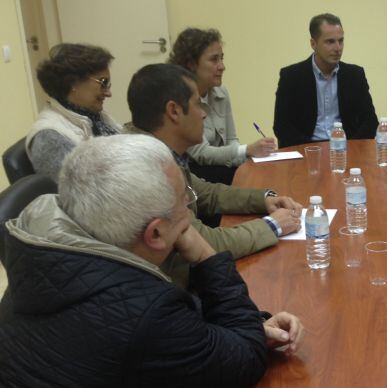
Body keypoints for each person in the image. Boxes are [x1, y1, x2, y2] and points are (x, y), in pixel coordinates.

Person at [0, 134, 303, 386]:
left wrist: (245, 328)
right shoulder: (147, 313)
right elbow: (246, 362)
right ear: (155, 233)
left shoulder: (46, 251)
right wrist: (206, 257)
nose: (189, 201)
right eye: (184, 197)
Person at [126, 63, 302, 287]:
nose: (204, 114)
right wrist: (272, 226)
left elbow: (206, 193)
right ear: (174, 111)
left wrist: (264, 198)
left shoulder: (160, 150)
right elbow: (206, 243)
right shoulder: (149, 168)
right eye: (198, 104)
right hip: (176, 293)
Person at [169, 27, 276, 185]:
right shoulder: (179, 97)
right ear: (191, 64)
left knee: (264, 172)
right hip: (196, 174)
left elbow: (232, 139)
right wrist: (246, 150)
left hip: (222, 166)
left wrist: (245, 153)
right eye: (214, 60)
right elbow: (201, 153)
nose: (222, 66)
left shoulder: (221, 92)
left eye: (222, 58)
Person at [273, 13, 378, 148]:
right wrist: (314, 151)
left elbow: (370, 122)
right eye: (330, 42)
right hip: (306, 151)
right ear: (313, 43)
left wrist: (349, 147)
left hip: (347, 149)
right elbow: (282, 126)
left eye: (341, 41)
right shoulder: (291, 76)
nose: (338, 48)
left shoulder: (355, 75)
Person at [25, 43, 122, 182]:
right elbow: (81, 193)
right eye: (103, 82)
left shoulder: (91, 115)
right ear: (73, 84)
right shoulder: (49, 139)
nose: (108, 92)